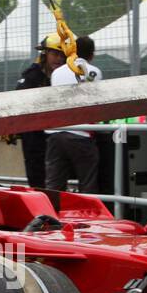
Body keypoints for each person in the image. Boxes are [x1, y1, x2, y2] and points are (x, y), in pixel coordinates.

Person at [44, 35, 104, 193]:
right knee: (88, 182)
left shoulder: (57, 72)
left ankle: (50, 215)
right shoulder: (95, 72)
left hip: (55, 133)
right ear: (92, 55)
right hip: (81, 134)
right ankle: (88, 216)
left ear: (73, 51)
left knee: (54, 183)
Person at [13, 35, 66, 188]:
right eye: (55, 54)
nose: (59, 59)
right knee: (37, 175)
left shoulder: (64, 76)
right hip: (33, 135)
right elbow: (19, 100)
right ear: (45, 54)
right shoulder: (32, 76)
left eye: (62, 55)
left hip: (54, 135)